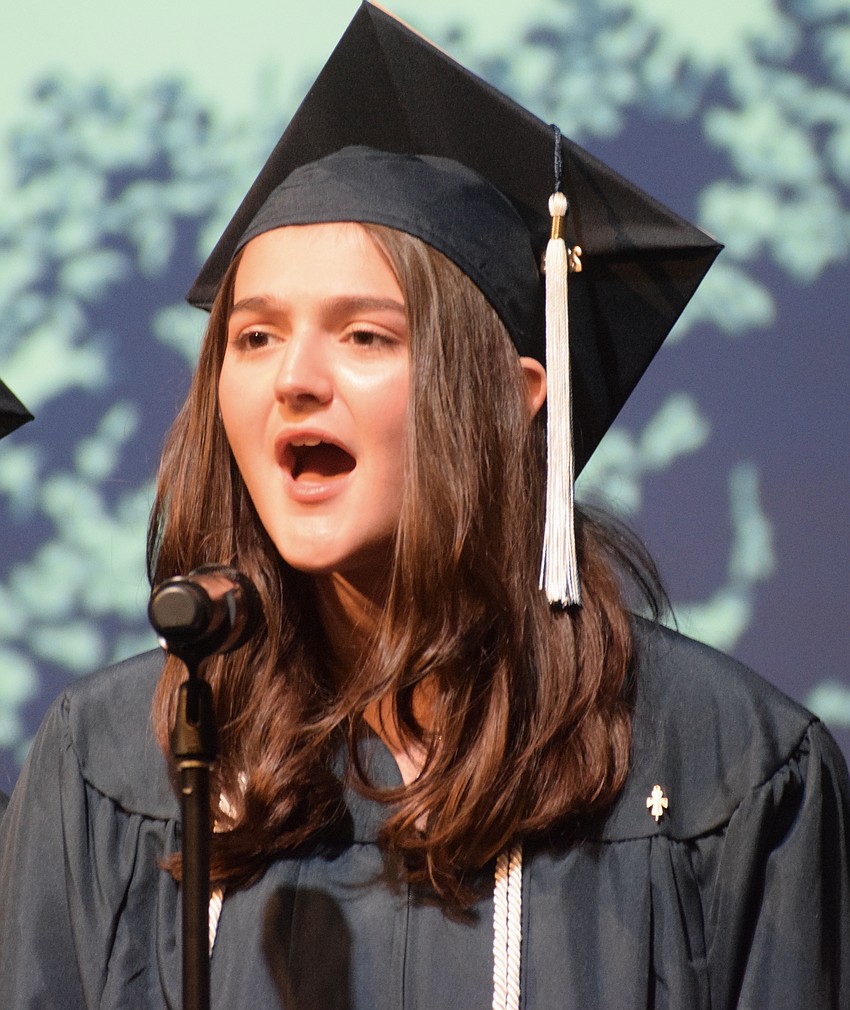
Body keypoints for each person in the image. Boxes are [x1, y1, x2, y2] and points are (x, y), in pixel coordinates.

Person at [1, 5, 848, 1008]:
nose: (294, 380)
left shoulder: (723, 766)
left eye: (365, 335)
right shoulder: (118, 763)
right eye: (256, 336)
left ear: (515, 395)